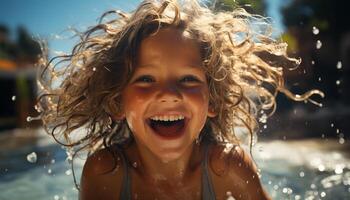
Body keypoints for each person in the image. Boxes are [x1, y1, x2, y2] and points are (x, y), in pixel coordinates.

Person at [36, 0, 323, 199]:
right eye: (146, 79)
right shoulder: (106, 172)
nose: (169, 94)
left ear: (212, 102)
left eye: (188, 79)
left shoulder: (227, 168)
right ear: (116, 103)